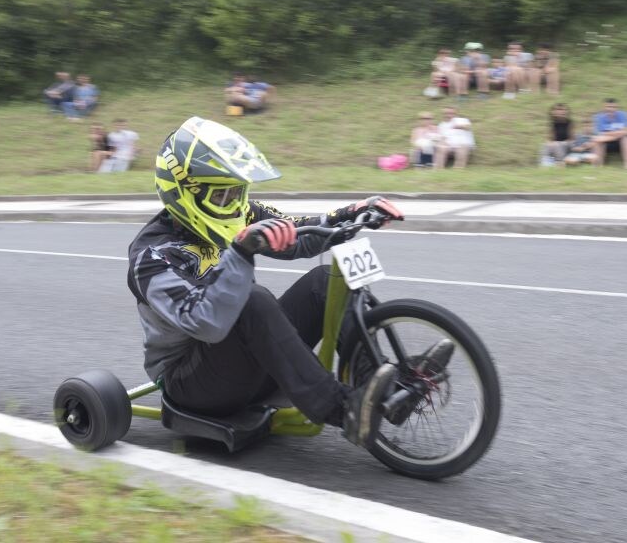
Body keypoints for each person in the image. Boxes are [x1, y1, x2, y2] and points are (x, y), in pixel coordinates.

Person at [128, 116, 450, 450]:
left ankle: (384, 393)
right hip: (192, 383)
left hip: (242, 365)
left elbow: (296, 232)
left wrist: (350, 214)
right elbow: (205, 323)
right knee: (253, 301)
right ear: (186, 193)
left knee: (323, 281)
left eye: (238, 191)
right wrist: (240, 252)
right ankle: (343, 410)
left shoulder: (241, 212)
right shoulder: (153, 256)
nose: (235, 203)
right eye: (223, 195)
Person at [591, 98, 627, 168]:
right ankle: (597, 166)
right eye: (608, 107)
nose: (611, 109)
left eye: (613, 107)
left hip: (620, 143)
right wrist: (619, 133)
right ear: (604, 107)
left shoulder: (623, 115)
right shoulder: (599, 117)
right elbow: (599, 134)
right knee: (596, 141)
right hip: (606, 143)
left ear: (617, 108)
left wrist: (609, 134)